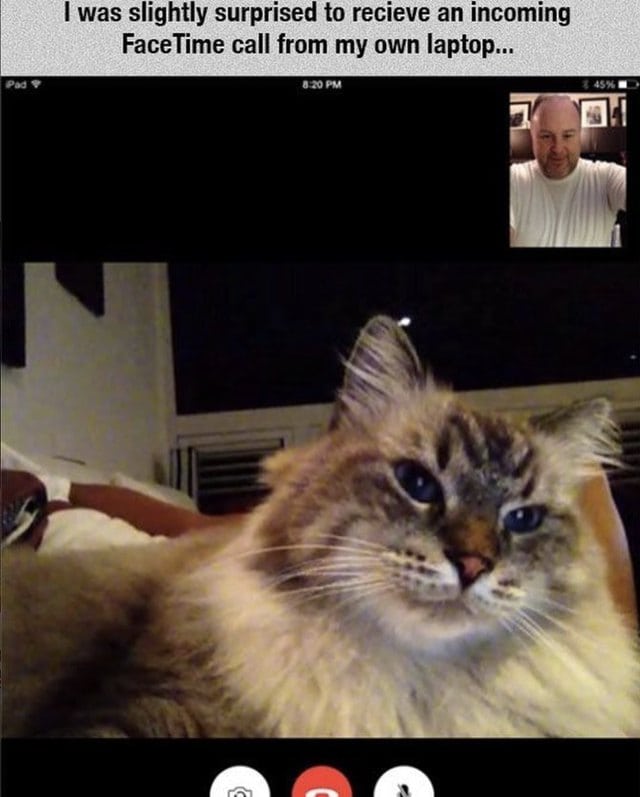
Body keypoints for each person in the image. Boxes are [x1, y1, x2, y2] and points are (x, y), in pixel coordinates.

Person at [510, 94, 626, 247]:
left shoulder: (606, 177)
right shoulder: (514, 179)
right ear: (532, 134)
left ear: (579, 134)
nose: (558, 149)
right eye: (546, 136)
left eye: (568, 135)